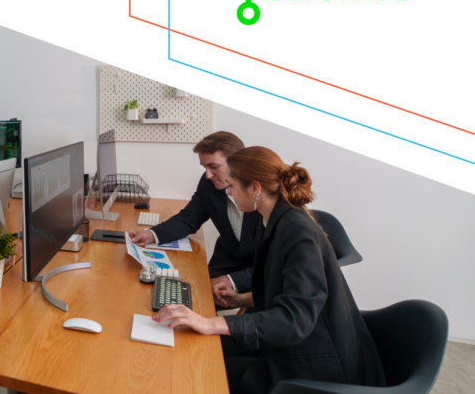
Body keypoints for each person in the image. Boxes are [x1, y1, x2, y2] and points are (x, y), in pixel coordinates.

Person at [153, 147, 386, 394]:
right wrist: (242, 299)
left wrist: (213, 323)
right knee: (193, 342)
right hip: (288, 342)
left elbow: (294, 319)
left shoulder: (298, 232)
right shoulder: (272, 219)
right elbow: (285, 289)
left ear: (255, 188)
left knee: (201, 369)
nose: (228, 192)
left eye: (231, 186)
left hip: (317, 362)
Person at [127, 131, 260, 296]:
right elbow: (188, 219)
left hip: (262, 270)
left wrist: (232, 281)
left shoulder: (262, 195)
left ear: (238, 163)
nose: (208, 175)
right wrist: (150, 235)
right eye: (205, 167)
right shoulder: (208, 183)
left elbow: (275, 265)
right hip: (228, 258)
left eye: (214, 167)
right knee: (191, 294)